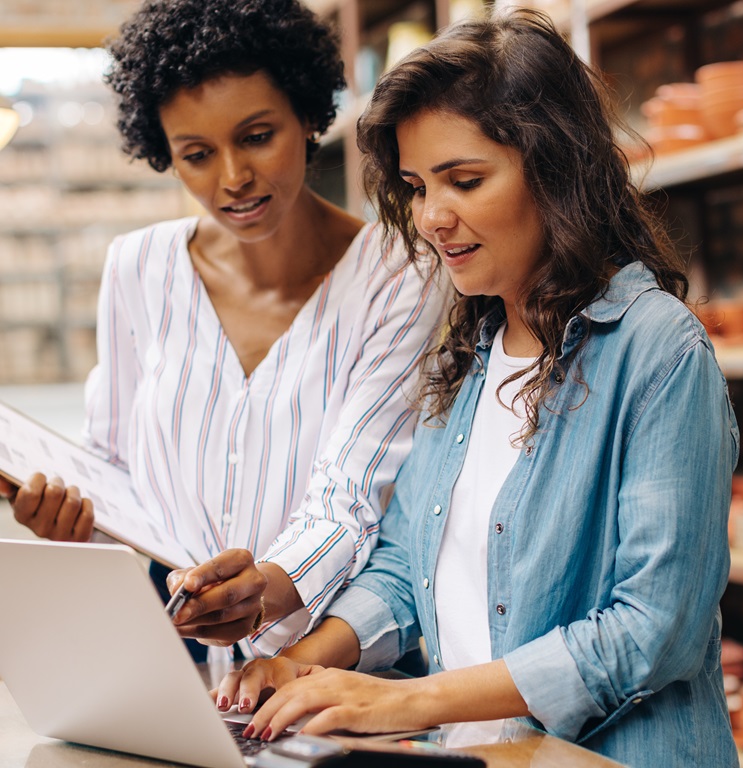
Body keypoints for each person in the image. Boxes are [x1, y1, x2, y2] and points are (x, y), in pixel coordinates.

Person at [212, 9, 739, 766]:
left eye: (464, 180)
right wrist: (309, 662)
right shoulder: (469, 350)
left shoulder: (657, 351)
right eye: (418, 186)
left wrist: (406, 699)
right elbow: (404, 568)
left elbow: (652, 630)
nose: (432, 217)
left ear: (556, 170)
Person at [0, 0, 445, 660]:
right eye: (197, 154)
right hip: (165, 653)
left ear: (306, 114)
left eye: (257, 136)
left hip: (328, 661)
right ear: (165, 154)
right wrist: (73, 518)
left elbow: (355, 493)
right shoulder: (137, 267)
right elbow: (114, 466)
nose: (233, 178)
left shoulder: (400, 273)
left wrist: (263, 590)